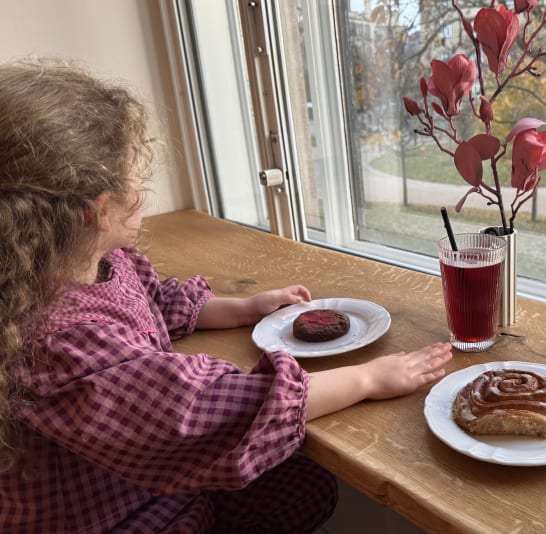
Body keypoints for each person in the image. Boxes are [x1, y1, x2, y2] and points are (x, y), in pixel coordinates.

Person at [0, 59, 453, 533]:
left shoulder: (88, 265)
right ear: (97, 210)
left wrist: (243, 307)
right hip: (129, 518)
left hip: (144, 479)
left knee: (305, 486)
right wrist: (368, 379)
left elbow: (155, 302)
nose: (143, 191)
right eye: (135, 179)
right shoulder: (57, 345)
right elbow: (203, 410)